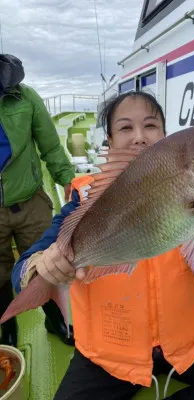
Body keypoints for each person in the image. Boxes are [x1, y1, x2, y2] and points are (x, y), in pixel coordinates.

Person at [12, 91, 194, 400]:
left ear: (164, 136)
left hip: (193, 344)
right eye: (125, 128)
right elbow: (21, 271)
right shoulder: (81, 207)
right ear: (109, 141)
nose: (138, 137)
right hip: (110, 357)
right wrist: (43, 264)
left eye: (150, 126)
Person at [0, 53, 75, 347]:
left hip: (30, 201)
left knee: (45, 262)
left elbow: (51, 145)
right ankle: (7, 323)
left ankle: (53, 317)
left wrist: (66, 177)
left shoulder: (26, 97)